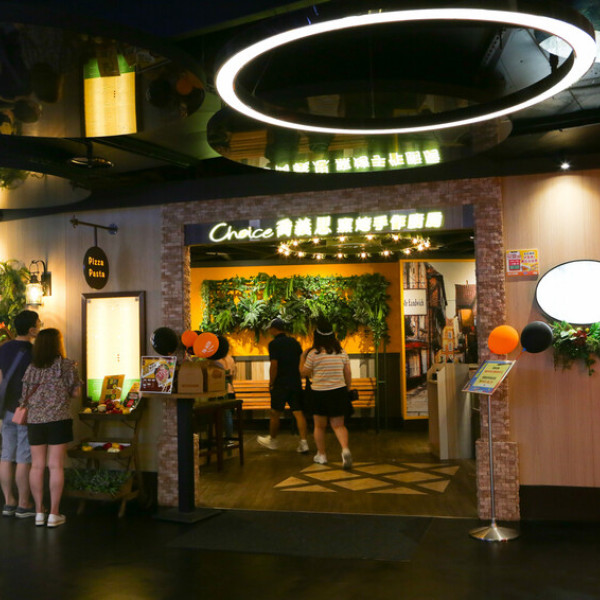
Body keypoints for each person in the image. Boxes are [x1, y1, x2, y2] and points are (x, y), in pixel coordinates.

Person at [19, 328, 83, 528]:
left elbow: (24, 396)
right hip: (58, 420)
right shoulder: (66, 365)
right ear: (57, 344)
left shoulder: (31, 367)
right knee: (55, 466)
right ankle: (54, 514)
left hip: (35, 421)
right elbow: (75, 393)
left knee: (37, 466)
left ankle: (39, 512)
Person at [0, 309, 40, 518]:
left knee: (6, 455)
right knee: (24, 456)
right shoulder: (34, 352)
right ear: (32, 329)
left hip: (6, 408)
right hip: (25, 409)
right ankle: (24, 504)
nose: (40, 326)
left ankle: (9, 502)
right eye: (38, 323)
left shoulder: (4, 348)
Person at [300, 319, 354, 469]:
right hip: (338, 391)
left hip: (319, 393)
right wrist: (347, 389)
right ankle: (345, 450)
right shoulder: (341, 352)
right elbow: (348, 373)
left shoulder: (313, 354)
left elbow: (304, 373)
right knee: (339, 425)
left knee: (319, 426)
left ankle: (322, 455)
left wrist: (302, 358)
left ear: (316, 336)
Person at [257, 318, 309, 454]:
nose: (269, 331)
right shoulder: (295, 343)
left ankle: (272, 441)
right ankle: (304, 443)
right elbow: (301, 361)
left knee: (275, 413)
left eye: (270, 328)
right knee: (298, 412)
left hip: (280, 383)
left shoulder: (274, 344)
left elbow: (274, 365)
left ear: (274, 329)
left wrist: (271, 382)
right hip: (295, 382)